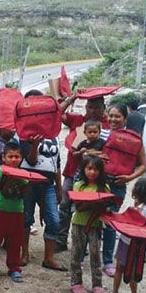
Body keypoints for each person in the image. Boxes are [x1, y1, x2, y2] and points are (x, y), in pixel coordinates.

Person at [56, 95, 109, 253]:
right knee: (65, 206)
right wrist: (73, 97)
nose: (92, 111)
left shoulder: (108, 124)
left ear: (103, 108)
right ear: (85, 107)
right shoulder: (78, 120)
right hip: (72, 172)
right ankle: (60, 240)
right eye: (89, 107)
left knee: (90, 208)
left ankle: (85, 243)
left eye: (97, 107)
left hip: (95, 177)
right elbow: (57, 113)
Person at [19, 89, 65, 272]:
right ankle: (24, 253)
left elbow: (57, 162)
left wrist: (59, 188)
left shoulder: (53, 133)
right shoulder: (23, 133)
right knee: (26, 219)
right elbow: (30, 160)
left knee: (54, 221)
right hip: (28, 184)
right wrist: (35, 145)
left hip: (48, 185)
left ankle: (49, 258)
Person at [100, 104, 146, 277]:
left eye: (117, 116)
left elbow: (143, 164)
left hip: (118, 184)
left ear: (125, 119)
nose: (113, 119)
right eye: (110, 116)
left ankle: (107, 261)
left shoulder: (134, 139)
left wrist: (129, 178)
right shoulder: (100, 132)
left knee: (110, 223)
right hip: (98, 182)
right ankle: (84, 257)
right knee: (91, 219)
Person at [108, 178, 146, 293]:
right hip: (125, 241)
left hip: (137, 246)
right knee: (120, 267)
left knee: (133, 271)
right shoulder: (135, 205)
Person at [0, 142, 29, 283]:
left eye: (17, 156)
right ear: (4, 157)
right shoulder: (0, 170)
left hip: (17, 211)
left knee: (15, 242)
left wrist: (28, 182)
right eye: (10, 156)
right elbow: (2, 189)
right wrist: (11, 177)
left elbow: (24, 194)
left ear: (21, 158)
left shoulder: (24, 174)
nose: (14, 159)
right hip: (0, 210)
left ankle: (14, 268)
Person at [69, 156, 109, 293]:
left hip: (96, 224)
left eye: (96, 169)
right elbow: (79, 207)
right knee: (76, 252)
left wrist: (100, 204)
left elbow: (106, 206)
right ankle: (75, 282)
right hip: (79, 223)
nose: (92, 172)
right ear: (83, 169)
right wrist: (94, 202)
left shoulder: (104, 187)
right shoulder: (79, 185)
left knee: (95, 254)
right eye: (89, 168)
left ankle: (97, 284)